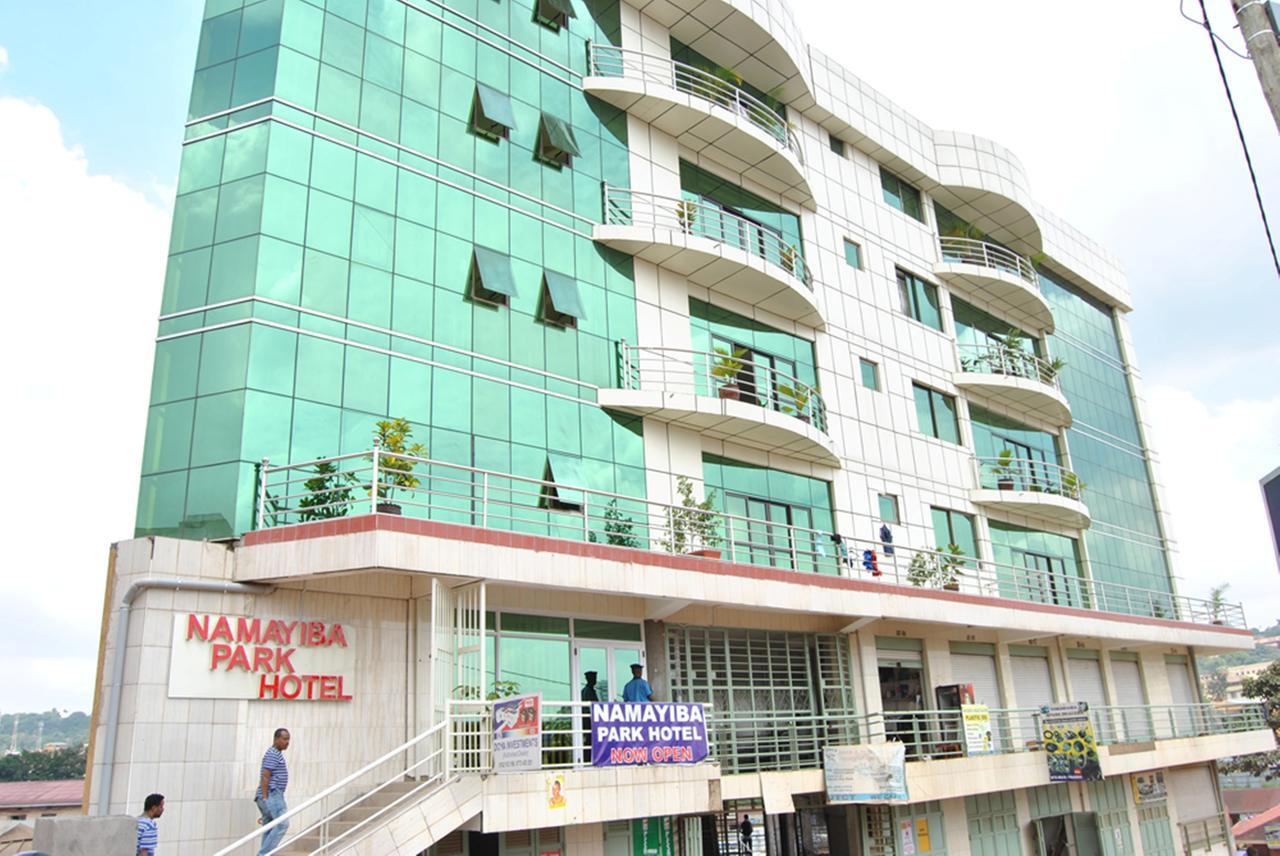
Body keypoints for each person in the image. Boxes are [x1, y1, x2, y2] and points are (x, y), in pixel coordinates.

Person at [256, 728, 291, 856]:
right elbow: (265, 775)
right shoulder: (273, 753)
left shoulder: (276, 753)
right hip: (272, 794)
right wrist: (266, 798)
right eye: (285, 739)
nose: (287, 742)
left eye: (288, 739)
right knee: (282, 824)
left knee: (269, 828)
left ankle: (265, 854)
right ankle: (263, 854)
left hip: (271, 795)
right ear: (276, 739)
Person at [581, 671, 599, 762]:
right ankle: (588, 759)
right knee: (589, 740)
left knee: (590, 740)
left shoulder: (590, 690)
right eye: (593, 678)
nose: (595, 680)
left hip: (590, 719)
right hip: (588, 720)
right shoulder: (587, 691)